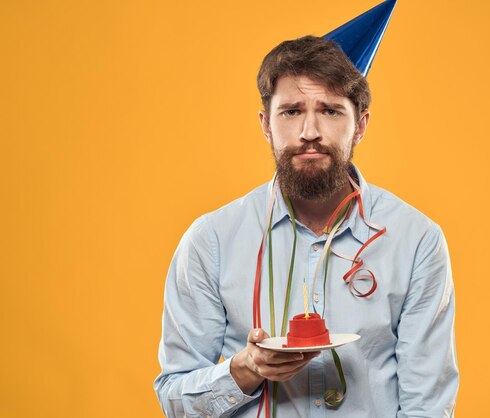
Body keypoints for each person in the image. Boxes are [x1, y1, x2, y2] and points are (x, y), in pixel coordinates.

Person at [154, 34, 459, 418]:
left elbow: (426, 408)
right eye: (291, 111)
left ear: (360, 125)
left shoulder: (417, 241)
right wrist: (245, 370)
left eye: (330, 111)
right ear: (266, 124)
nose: (309, 132)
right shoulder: (211, 240)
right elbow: (174, 399)